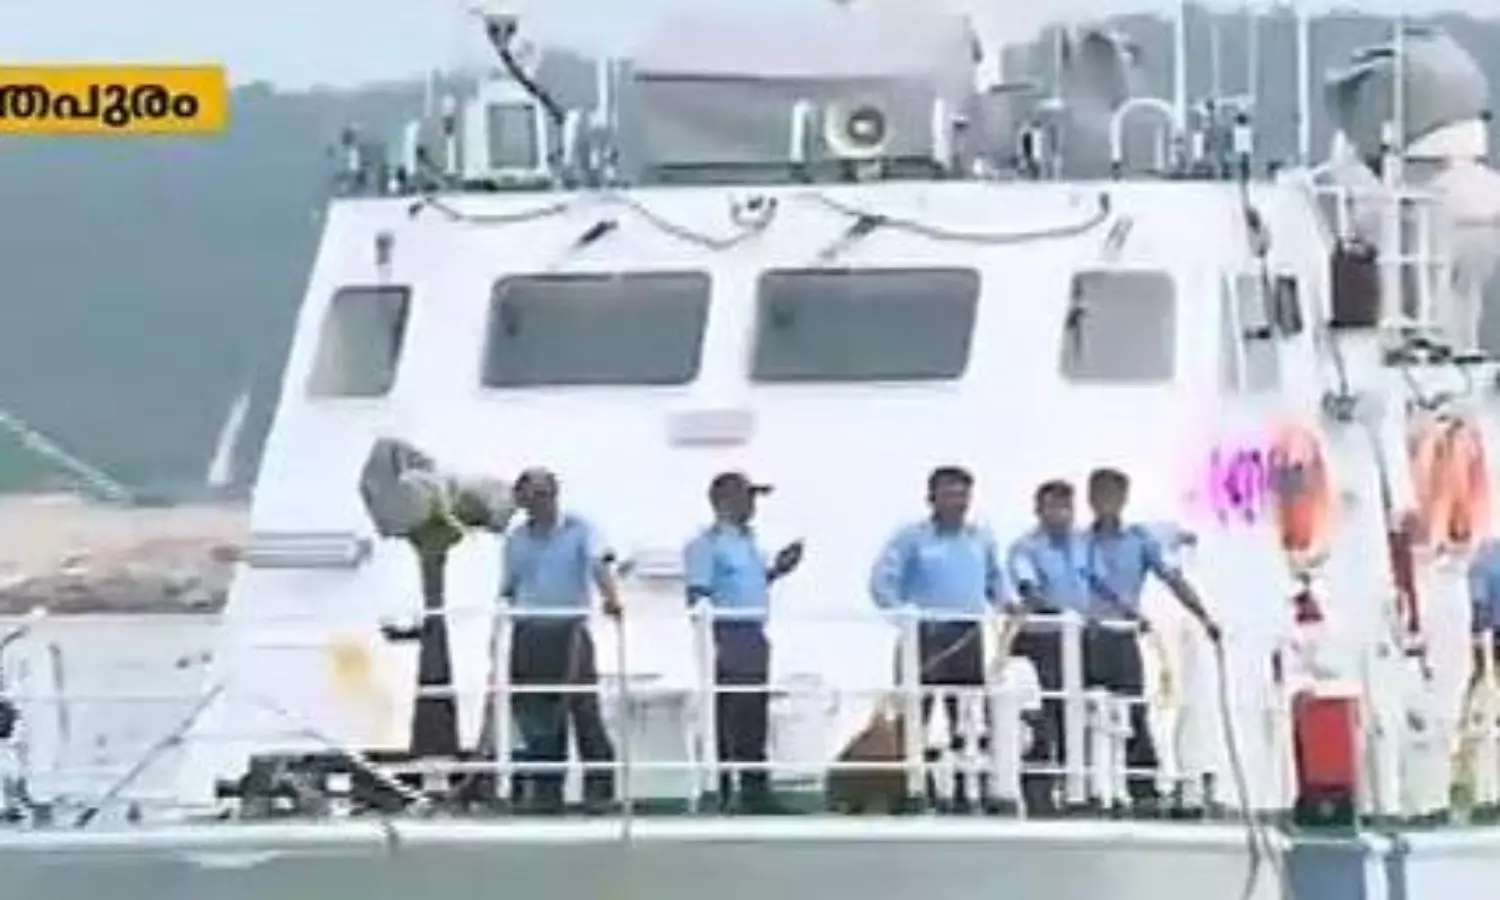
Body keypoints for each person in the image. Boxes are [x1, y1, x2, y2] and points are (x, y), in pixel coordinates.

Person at [1082, 467, 1221, 812]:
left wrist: (1203, 616)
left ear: (1123, 499)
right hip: (1087, 635)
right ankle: (1084, 787)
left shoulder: (1139, 542)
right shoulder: (1079, 543)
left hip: (1123, 636)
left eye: (1112, 495)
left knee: (1134, 711)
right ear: (1090, 498)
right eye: (1099, 495)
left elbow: (1171, 578)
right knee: (1083, 711)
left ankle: (1142, 787)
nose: (1105, 502)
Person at [869, 465, 1006, 812]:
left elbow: (996, 582)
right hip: (925, 636)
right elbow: (882, 582)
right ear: (931, 497)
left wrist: (1010, 606)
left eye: (963, 494)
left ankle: (967, 788)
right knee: (916, 715)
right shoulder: (912, 538)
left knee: (968, 717)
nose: (957, 502)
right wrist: (904, 616)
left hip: (967, 635)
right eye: (949, 494)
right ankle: (912, 789)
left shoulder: (980, 539)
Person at [500, 467, 622, 813]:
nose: (539, 503)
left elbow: (598, 564)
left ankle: (600, 792)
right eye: (530, 498)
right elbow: (509, 587)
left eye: (544, 495)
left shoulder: (580, 528)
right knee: (536, 718)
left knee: (584, 712)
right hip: (530, 631)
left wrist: (611, 598)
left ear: (555, 495)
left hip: (570, 630)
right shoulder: (516, 539)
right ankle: (545, 793)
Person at [684, 471, 804, 813]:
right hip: (728, 632)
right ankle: (724, 789)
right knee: (730, 712)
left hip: (753, 630)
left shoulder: (749, 542)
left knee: (753, 711)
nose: (751, 505)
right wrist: (713, 638)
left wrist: (778, 570)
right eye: (744, 497)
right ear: (722, 501)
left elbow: (750, 583)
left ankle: (754, 789)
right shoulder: (706, 545)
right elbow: (698, 594)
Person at [1005, 479, 1091, 816]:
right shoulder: (1025, 548)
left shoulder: (1084, 545)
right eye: (1053, 506)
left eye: (1066, 507)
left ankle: (1078, 790)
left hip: (1078, 639)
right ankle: (1037, 795)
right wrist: (1051, 608)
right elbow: (1028, 587)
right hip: (1039, 639)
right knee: (1039, 719)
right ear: (1039, 510)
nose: (1061, 514)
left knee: (1076, 714)